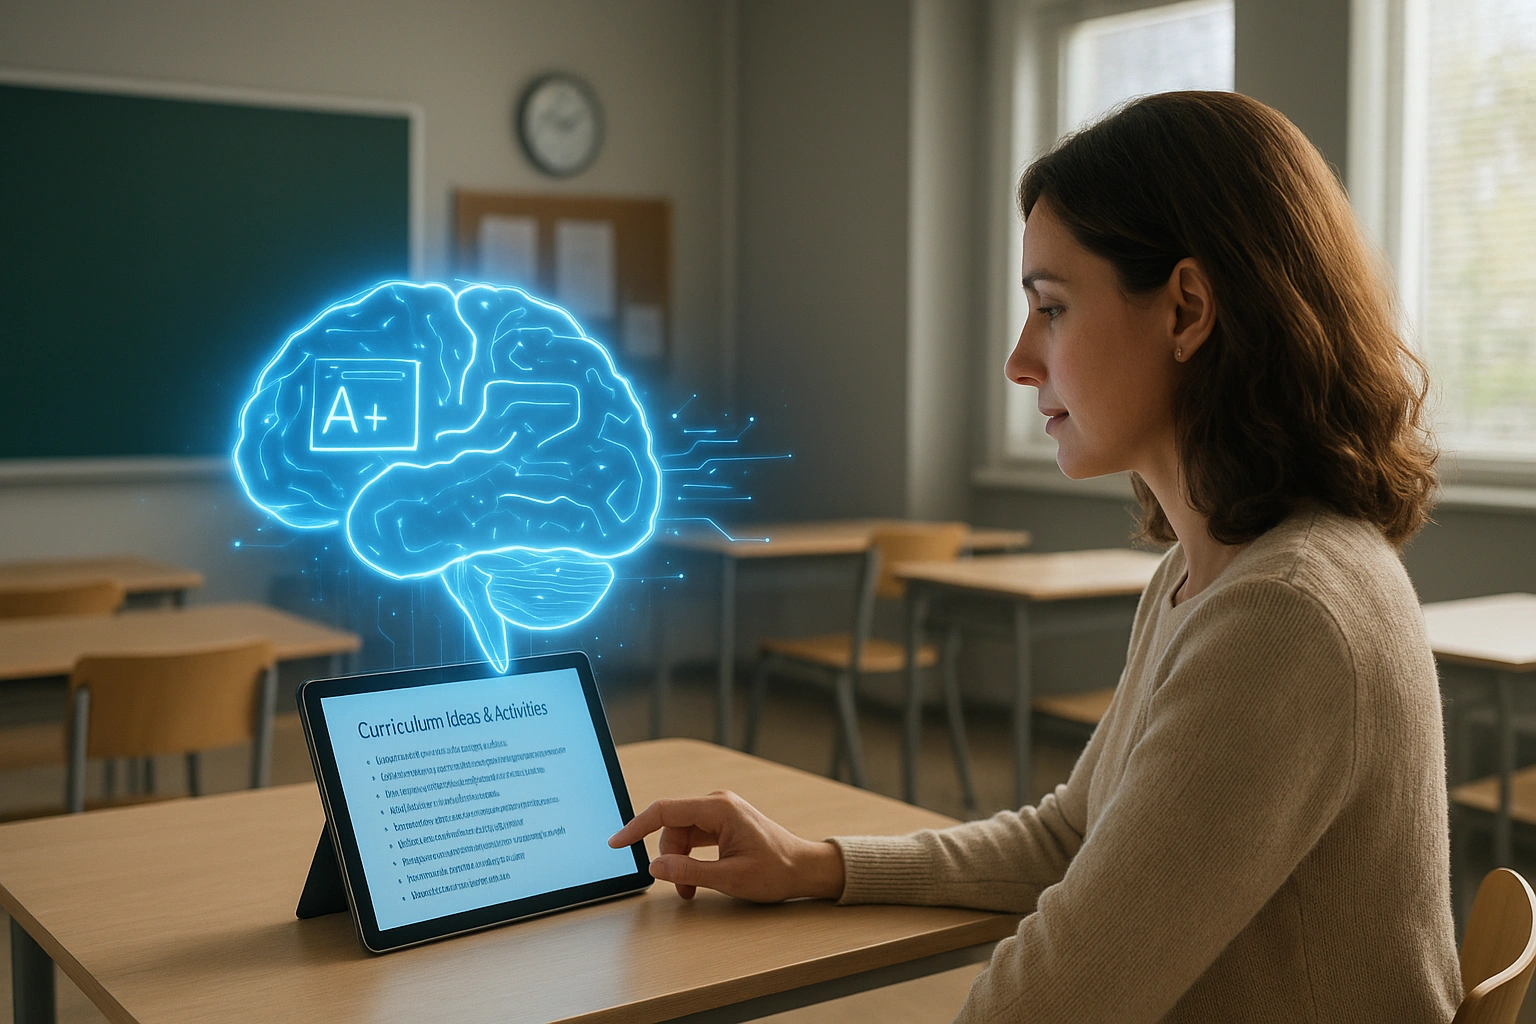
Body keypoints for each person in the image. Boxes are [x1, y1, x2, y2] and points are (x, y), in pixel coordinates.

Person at [609, 91, 1458, 1023]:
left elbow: (1047, 1005)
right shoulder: (1205, 572)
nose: (1019, 360)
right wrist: (818, 864)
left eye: (1050, 308)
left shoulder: (1286, 616)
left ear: (1186, 309)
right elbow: (1071, 838)